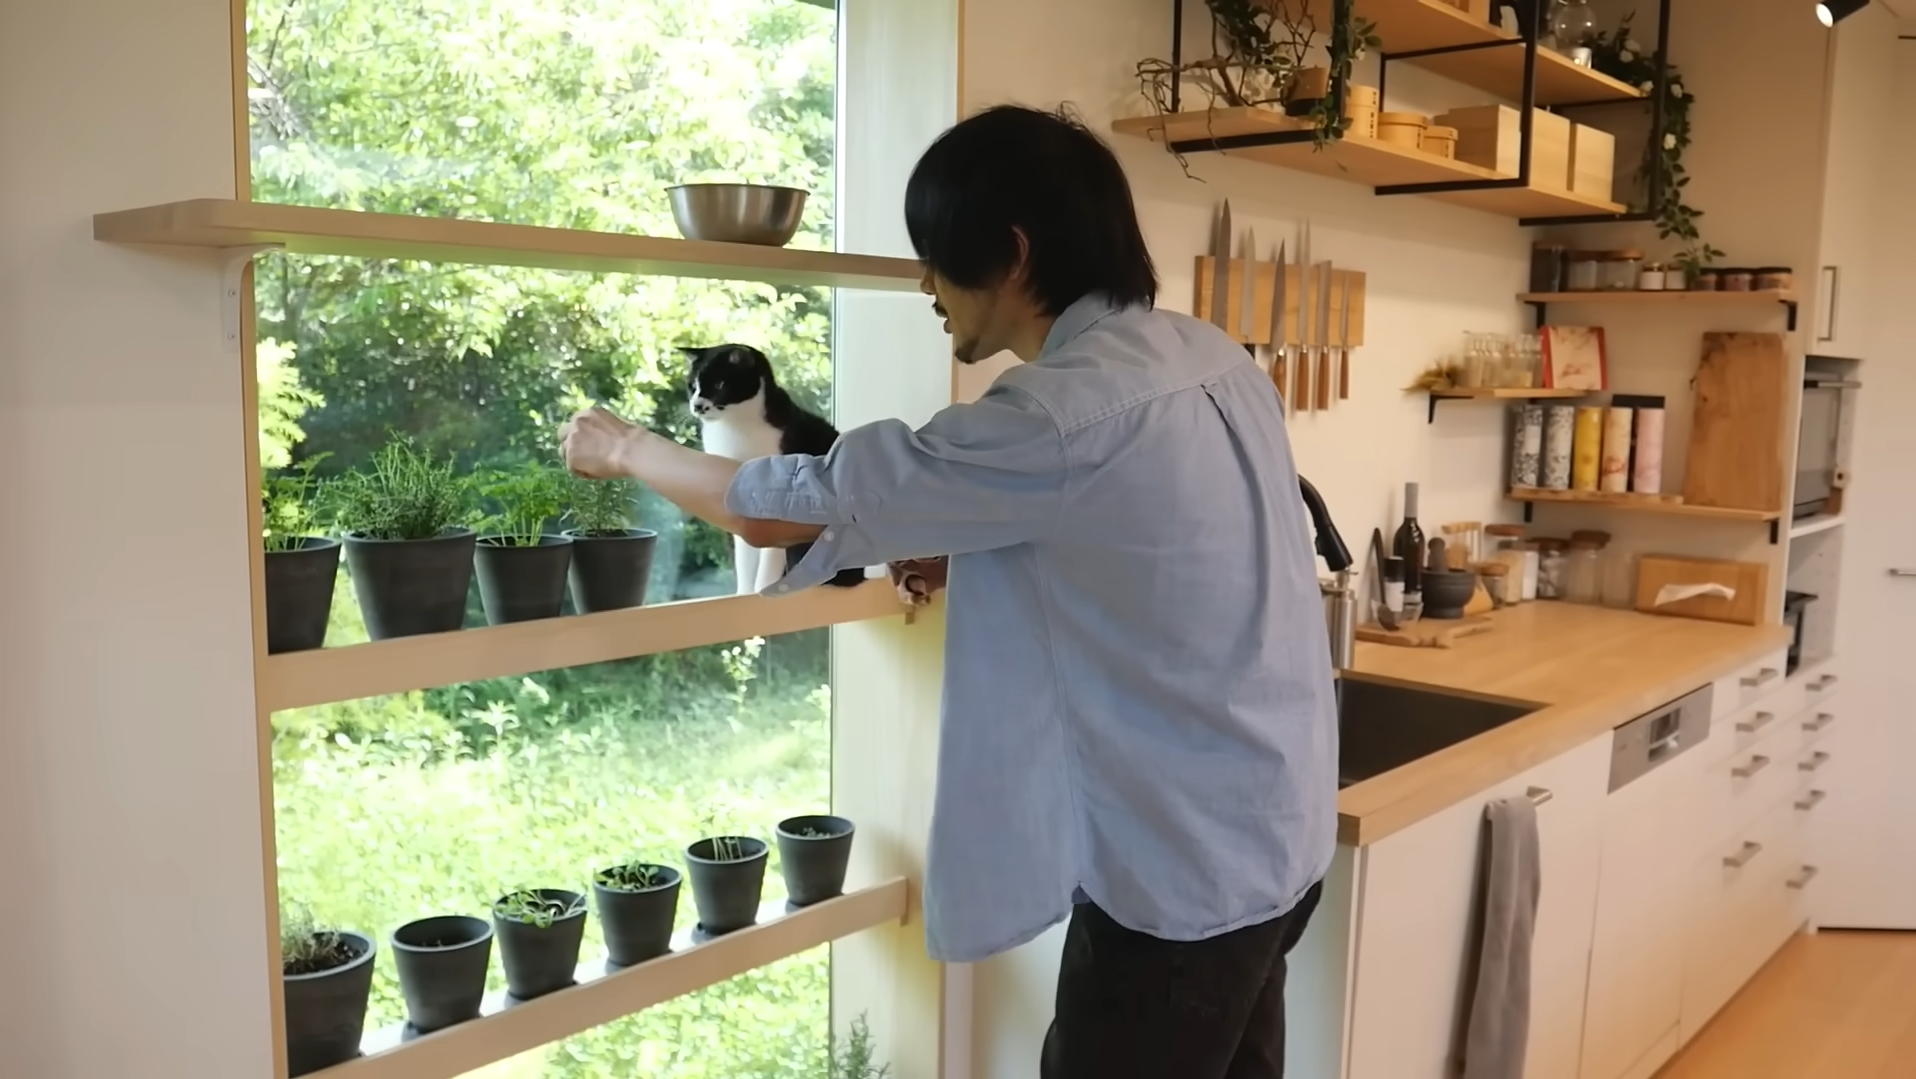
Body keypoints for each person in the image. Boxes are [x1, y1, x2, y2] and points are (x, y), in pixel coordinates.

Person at [559, 104, 1337, 1079]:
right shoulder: (1209, 355)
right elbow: (1147, 547)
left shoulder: (1053, 414)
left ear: (1010, 253)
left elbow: (784, 504)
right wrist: (968, 540)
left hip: (1177, 878)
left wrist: (625, 445)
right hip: (1276, 829)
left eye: (931, 256)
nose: (925, 283)